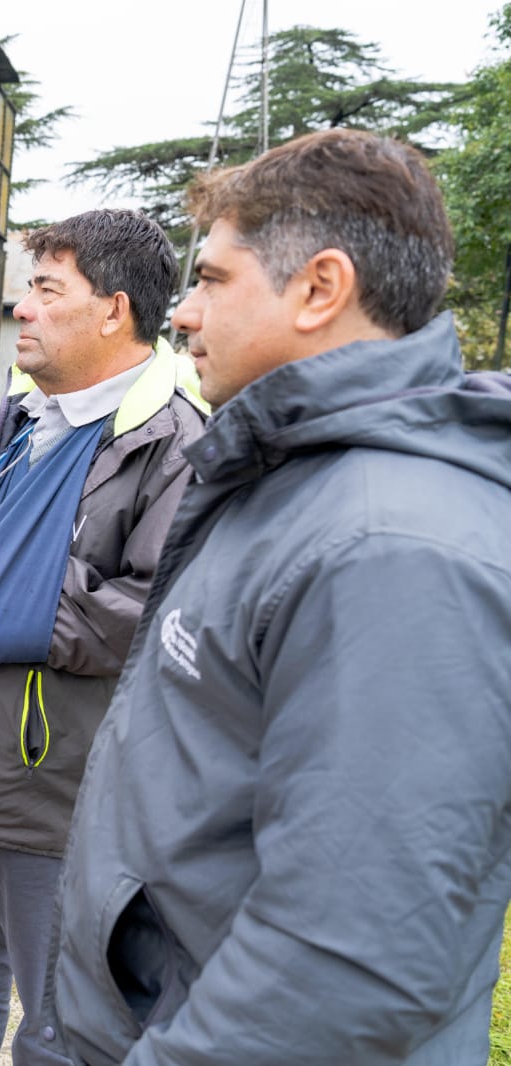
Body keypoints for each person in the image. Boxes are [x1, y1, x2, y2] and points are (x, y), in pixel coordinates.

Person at [52, 129, 511, 1065]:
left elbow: (347, 964)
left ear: (319, 288)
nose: (183, 314)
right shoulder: (285, 479)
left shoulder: (390, 547)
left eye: (213, 279)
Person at [0, 210, 204, 1066]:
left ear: (114, 310)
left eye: (48, 290)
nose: (22, 307)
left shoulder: (173, 442)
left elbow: (155, 615)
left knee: (58, 1030)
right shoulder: (18, 416)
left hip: (41, 793)